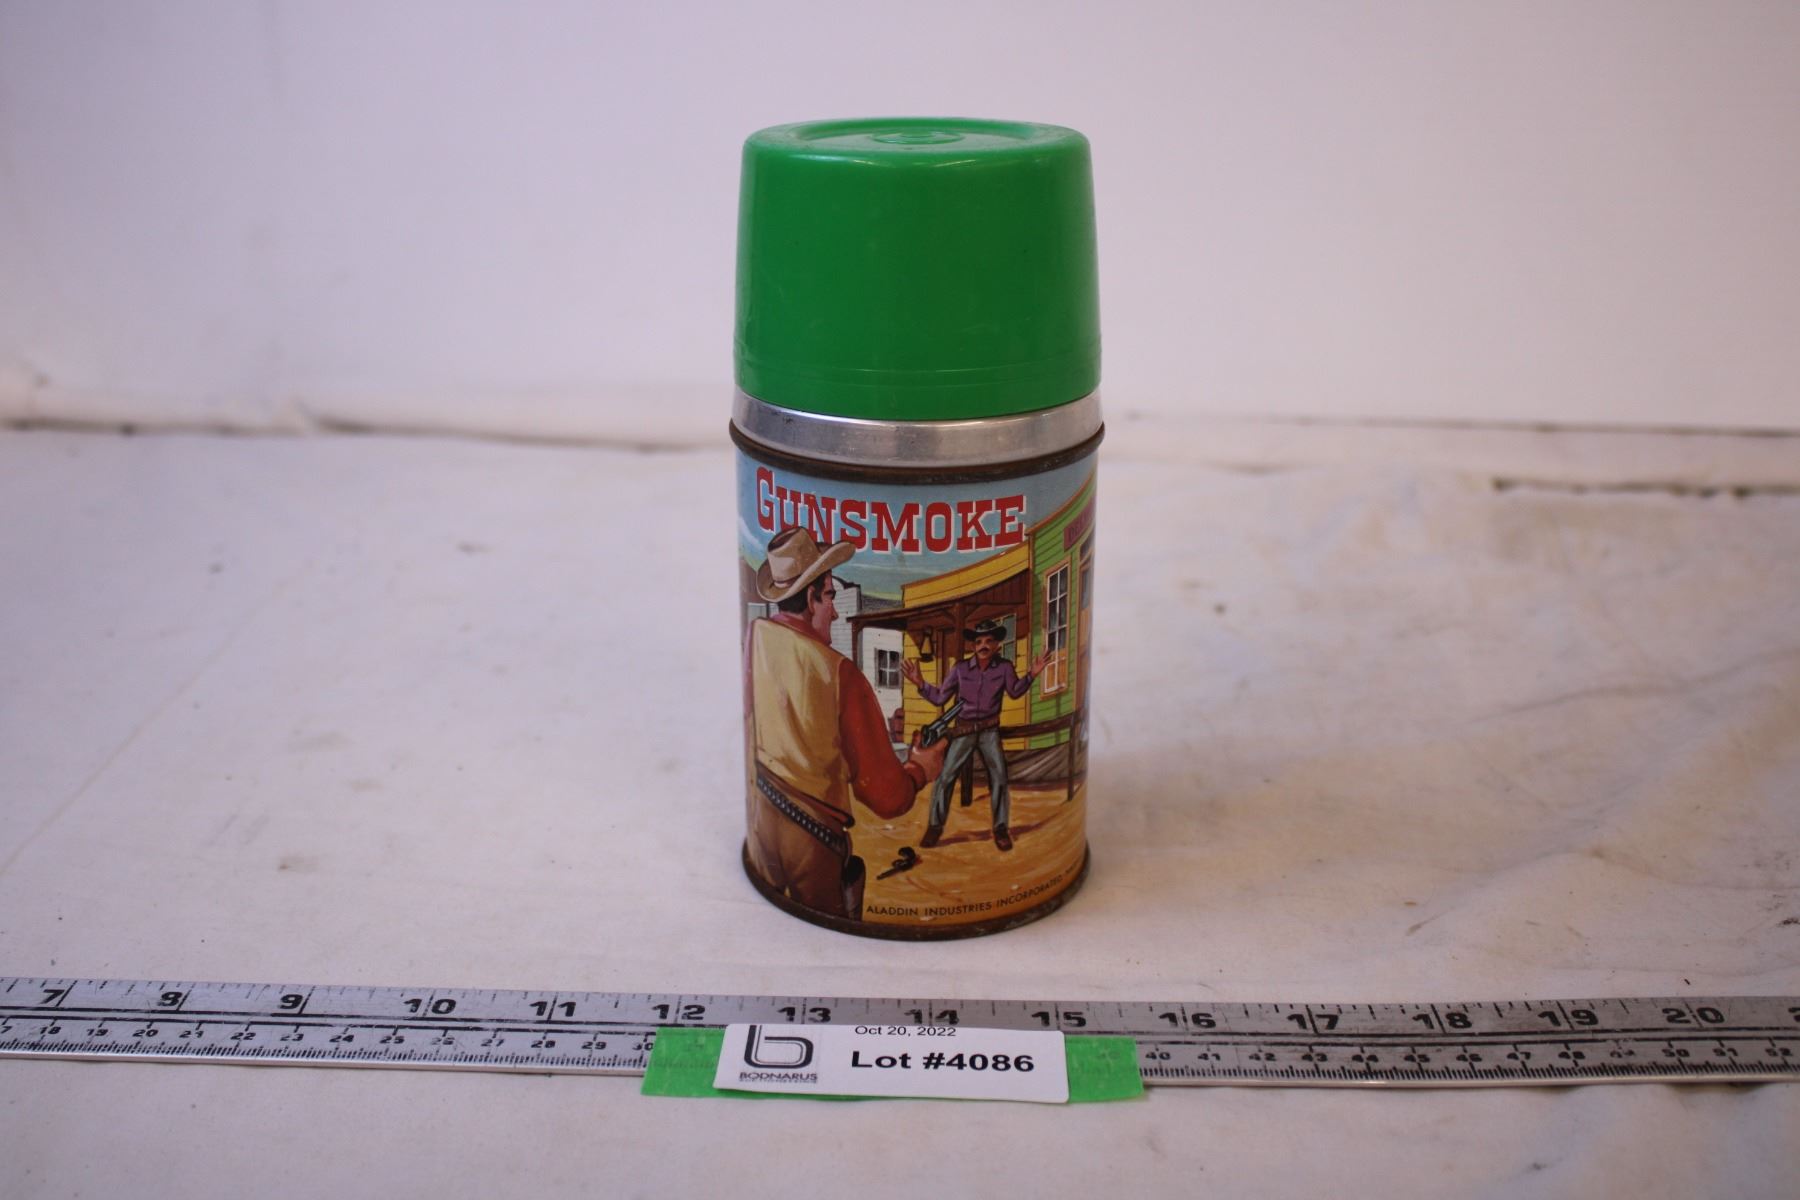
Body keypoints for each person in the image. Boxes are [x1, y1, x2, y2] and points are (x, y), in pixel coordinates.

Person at [744, 527, 946, 920]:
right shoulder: (840, 672)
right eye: (830, 596)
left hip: (763, 817)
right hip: (815, 839)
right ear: (811, 599)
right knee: (829, 928)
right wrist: (921, 769)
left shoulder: (757, 636)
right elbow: (886, 797)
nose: (835, 612)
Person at [900, 618, 1049, 851]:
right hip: (964, 731)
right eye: (979, 641)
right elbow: (939, 697)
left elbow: (1015, 692)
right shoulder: (960, 669)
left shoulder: (1004, 668)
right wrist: (920, 683)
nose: (983, 646)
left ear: (997, 645)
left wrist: (1032, 674)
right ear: (973, 646)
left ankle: (1000, 828)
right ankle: (935, 827)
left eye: (989, 641)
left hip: (989, 731)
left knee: (999, 777)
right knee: (946, 777)